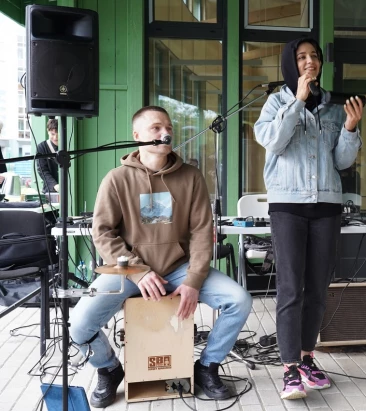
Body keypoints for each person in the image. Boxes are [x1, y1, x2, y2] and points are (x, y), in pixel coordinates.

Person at [69, 106, 252, 408]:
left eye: (167, 126)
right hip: (129, 272)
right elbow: (102, 233)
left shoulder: (191, 177)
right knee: (79, 323)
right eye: (155, 128)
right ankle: (109, 369)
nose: (165, 132)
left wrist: (194, 280)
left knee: (239, 300)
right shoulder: (116, 180)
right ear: (137, 136)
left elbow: (203, 234)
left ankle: (206, 367)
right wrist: (138, 271)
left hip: (180, 268)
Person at [254, 37, 363, 400]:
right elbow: (272, 141)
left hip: (327, 206)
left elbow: (343, 162)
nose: (310, 62)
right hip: (288, 205)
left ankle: (307, 358)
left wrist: (349, 128)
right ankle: (288, 369)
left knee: (319, 288)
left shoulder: (333, 107)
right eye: (301, 57)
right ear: (290, 63)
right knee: (290, 288)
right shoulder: (275, 103)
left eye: (314, 56)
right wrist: (297, 101)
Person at [35, 119, 59, 193]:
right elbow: (42, 170)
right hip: (50, 190)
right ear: (47, 131)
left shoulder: (68, 145)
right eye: (52, 134)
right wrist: (55, 185)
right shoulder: (41, 147)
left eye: (58, 134)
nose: (55, 138)